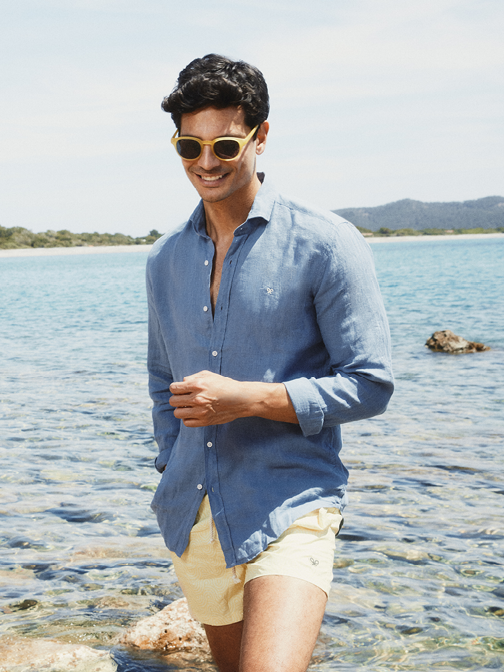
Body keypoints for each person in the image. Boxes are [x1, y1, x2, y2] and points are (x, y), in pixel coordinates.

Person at [146, 54, 394, 672]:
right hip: (195, 513)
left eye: (225, 145)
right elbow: (162, 380)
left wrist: (249, 399)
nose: (206, 162)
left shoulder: (327, 243)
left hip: (293, 501)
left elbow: (370, 384)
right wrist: (169, 462)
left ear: (260, 136)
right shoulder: (164, 260)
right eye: (190, 146)